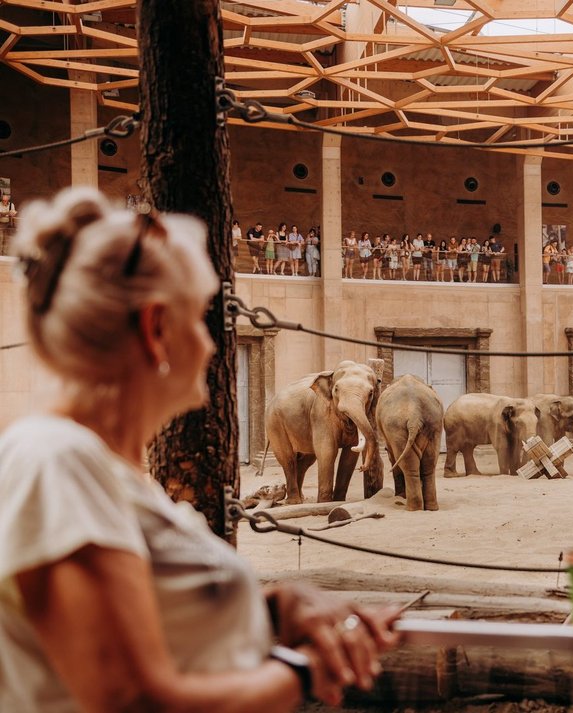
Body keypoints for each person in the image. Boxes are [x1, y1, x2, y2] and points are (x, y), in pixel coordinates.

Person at [1, 187, 400, 712]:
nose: (211, 344)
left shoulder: (104, 472)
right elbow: (133, 701)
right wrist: (307, 673)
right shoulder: (56, 463)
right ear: (156, 330)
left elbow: (154, 617)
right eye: (197, 320)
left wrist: (276, 606)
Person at [0, 192, 16, 256]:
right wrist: (8, 212)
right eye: (3, 199)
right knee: (0, 240)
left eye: (6, 199)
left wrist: (12, 214)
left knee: (7, 241)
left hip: (8, 224)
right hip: (0, 224)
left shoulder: (11, 205)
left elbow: (12, 213)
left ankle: (5, 255)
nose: (5, 201)